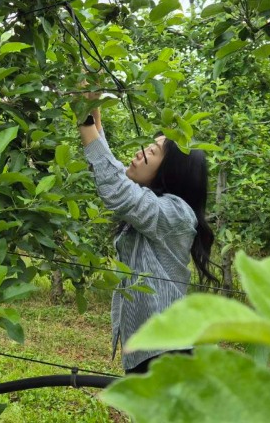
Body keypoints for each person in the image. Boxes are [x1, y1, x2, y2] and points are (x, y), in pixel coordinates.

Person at [77, 98, 217, 374]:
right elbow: (107, 168)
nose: (140, 153)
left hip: (167, 353)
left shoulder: (175, 214)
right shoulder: (157, 210)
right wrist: (91, 104)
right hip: (153, 350)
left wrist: (82, 118)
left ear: (169, 173)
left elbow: (114, 186)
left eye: (151, 153)